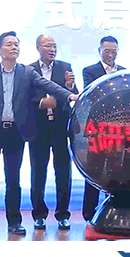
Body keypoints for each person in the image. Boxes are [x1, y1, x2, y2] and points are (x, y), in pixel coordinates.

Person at [0, 31, 79, 238]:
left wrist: (69, 95)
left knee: (13, 181)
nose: (14, 47)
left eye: (16, 44)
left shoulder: (26, 72)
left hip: (15, 134)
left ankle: (14, 223)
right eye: (9, 44)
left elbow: (48, 85)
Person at [27, 35, 79, 231]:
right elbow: (23, 98)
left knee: (63, 172)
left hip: (60, 128)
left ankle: (63, 215)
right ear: (38, 47)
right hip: (38, 129)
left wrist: (70, 86)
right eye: (48, 45)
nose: (52, 49)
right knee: (38, 173)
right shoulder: (29, 70)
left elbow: (72, 95)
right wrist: (41, 103)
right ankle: (39, 215)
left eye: (54, 46)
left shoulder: (65, 67)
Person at [81, 36, 126, 222]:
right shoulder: (89, 71)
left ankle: (114, 210)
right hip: (98, 128)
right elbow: (93, 96)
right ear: (99, 51)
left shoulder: (124, 71)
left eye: (113, 51)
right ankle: (89, 213)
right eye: (107, 51)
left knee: (117, 168)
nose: (110, 54)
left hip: (118, 129)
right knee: (94, 168)